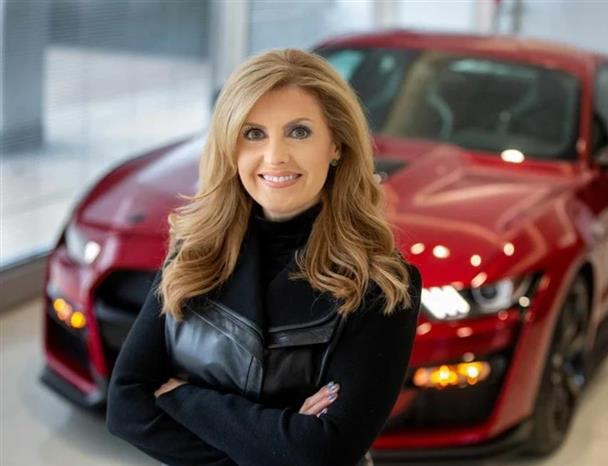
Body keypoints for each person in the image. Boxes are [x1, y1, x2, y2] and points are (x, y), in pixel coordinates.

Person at [105, 47, 422, 466]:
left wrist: (184, 397)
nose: (275, 156)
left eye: (299, 132)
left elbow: (325, 452)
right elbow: (125, 407)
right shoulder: (195, 248)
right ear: (230, 146)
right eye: (254, 134)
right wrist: (282, 440)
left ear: (337, 145)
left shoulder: (381, 282)